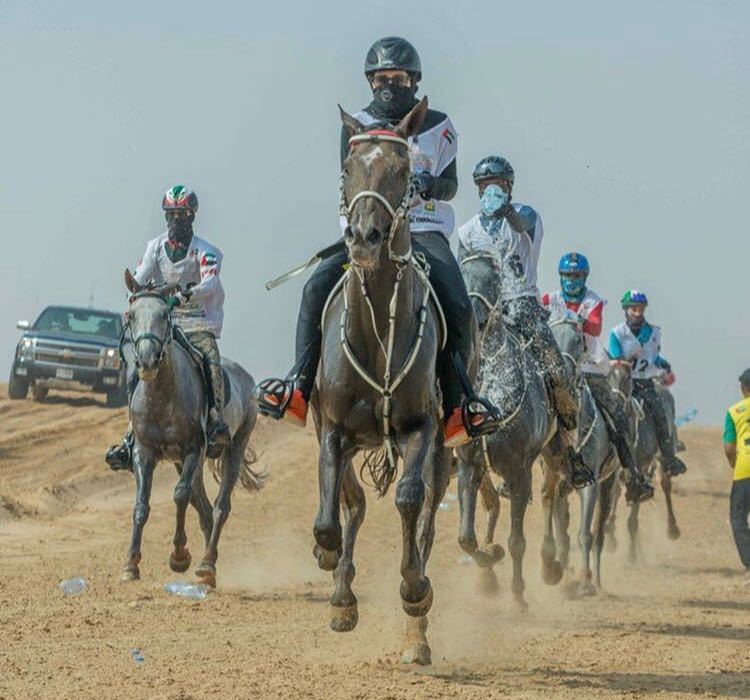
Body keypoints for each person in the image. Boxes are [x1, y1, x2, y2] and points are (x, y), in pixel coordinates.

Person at [254, 36, 500, 447]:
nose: (389, 84)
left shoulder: (438, 126)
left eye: (398, 77)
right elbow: (348, 183)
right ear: (370, 81)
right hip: (367, 233)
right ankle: (297, 387)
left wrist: (427, 184)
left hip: (422, 230)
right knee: (316, 286)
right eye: (380, 77)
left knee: (458, 303)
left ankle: (460, 406)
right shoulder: (356, 125)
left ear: (413, 81)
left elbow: (453, 185)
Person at [456, 157, 593, 488]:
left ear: (508, 186)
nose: (491, 190)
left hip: (524, 306)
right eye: (485, 186)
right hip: (486, 311)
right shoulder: (466, 231)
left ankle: (569, 450)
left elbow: (520, 225)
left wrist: (504, 210)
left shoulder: (527, 216)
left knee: (556, 370)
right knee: (453, 363)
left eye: (498, 185)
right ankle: (446, 439)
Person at [105, 185, 230, 470]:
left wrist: (184, 295)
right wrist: (136, 300)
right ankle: (130, 435)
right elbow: (137, 279)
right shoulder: (154, 248)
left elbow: (210, 283)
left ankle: (215, 420)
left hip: (196, 321)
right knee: (138, 366)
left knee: (211, 357)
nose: (176, 220)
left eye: (181, 215)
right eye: (171, 215)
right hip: (165, 322)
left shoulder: (206, 252)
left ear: (192, 216)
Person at [542, 253, 653, 500]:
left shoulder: (593, 301)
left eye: (577, 276)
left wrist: (569, 318)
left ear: (584, 278)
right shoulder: (551, 298)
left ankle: (632, 475)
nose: (572, 281)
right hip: (557, 370)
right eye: (567, 276)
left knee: (617, 415)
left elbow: (594, 326)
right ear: (561, 277)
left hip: (590, 368)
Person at [608, 290, 686, 477]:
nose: (637, 312)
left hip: (645, 384)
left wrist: (662, 364)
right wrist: (625, 359)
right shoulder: (617, 333)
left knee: (661, 414)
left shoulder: (654, 333)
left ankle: (668, 458)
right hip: (622, 384)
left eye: (640, 308)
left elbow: (652, 357)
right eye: (633, 308)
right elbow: (615, 357)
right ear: (626, 309)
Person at [723, 368, 750, 574]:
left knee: (738, 517)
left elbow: (730, 448)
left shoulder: (733, 412)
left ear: (743, 388)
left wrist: (734, 463)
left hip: (744, 470)